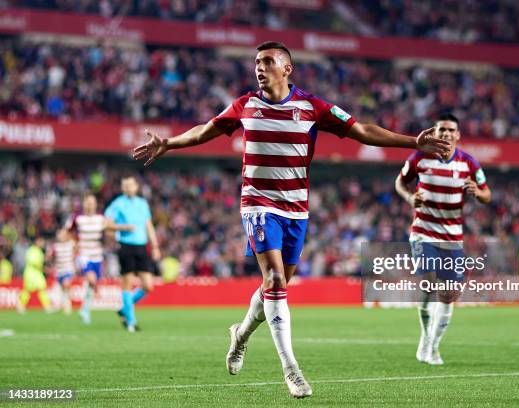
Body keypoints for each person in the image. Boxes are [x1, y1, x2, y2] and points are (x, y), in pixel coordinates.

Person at [133, 41, 449, 398]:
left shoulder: (312, 107)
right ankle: (291, 368)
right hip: (257, 205)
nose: (259, 67)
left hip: (296, 210)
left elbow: (362, 130)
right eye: (256, 62)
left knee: (275, 287)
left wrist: (412, 142)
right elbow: (205, 130)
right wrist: (169, 143)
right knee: (274, 278)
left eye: (268, 61)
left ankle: (240, 335)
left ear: (287, 69)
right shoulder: (245, 105)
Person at [395, 112, 491, 365]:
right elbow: (400, 183)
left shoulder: (469, 163)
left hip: (452, 238)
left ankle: (432, 345)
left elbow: (487, 194)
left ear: (458, 135)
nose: (446, 134)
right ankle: (425, 341)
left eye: (451, 130)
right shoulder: (419, 158)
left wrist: (478, 193)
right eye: (442, 130)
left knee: (448, 295)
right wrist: (409, 198)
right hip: (423, 232)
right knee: (428, 284)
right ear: (435, 133)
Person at [65, 193, 133, 324]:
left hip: (97, 255)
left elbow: (110, 230)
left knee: (92, 283)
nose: (89, 205)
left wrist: (121, 230)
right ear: (84, 204)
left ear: (95, 204)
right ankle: (85, 307)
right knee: (91, 280)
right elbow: (68, 232)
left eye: (92, 202)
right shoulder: (78, 218)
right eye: (87, 202)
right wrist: (74, 244)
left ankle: (84, 309)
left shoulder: (100, 218)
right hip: (84, 254)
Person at [104, 176, 160, 332]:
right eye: (125, 185)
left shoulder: (142, 203)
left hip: (142, 247)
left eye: (131, 185)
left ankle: (124, 309)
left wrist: (155, 246)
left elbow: (148, 225)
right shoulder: (117, 204)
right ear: (122, 188)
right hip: (126, 246)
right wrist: (123, 228)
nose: (128, 188)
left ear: (136, 187)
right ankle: (131, 322)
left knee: (148, 285)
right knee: (127, 283)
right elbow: (106, 224)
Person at [16, 237, 52, 313]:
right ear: (37, 242)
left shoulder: (39, 251)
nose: (42, 243)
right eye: (41, 242)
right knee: (27, 290)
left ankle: (47, 306)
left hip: (37, 274)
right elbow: (33, 262)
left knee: (42, 289)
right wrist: (43, 266)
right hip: (31, 274)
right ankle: (20, 305)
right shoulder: (32, 250)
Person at [51, 229, 76, 315]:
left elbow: (77, 250)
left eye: (62, 235)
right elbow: (52, 257)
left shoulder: (71, 244)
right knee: (63, 289)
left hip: (68, 269)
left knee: (66, 284)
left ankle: (67, 305)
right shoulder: (55, 246)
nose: (60, 236)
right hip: (59, 270)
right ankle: (64, 303)